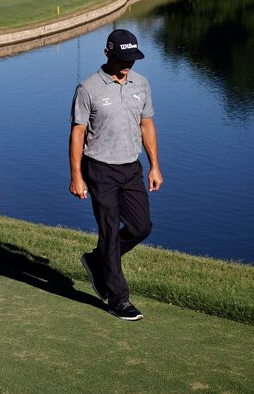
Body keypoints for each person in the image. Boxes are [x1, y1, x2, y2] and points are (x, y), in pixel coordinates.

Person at [68, 29, 163, 321]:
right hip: (99, 169)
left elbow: (146, 125)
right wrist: (76, 176)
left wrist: (155, 165)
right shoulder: (88, 88)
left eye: (132, 58)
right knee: (109, 232)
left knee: (141, 227)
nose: (127, 64)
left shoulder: (141, 84)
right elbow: (77, 133)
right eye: (122, 57)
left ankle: (99, 261)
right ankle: (118, 299)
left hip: (131, 167)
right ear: (108, 53)